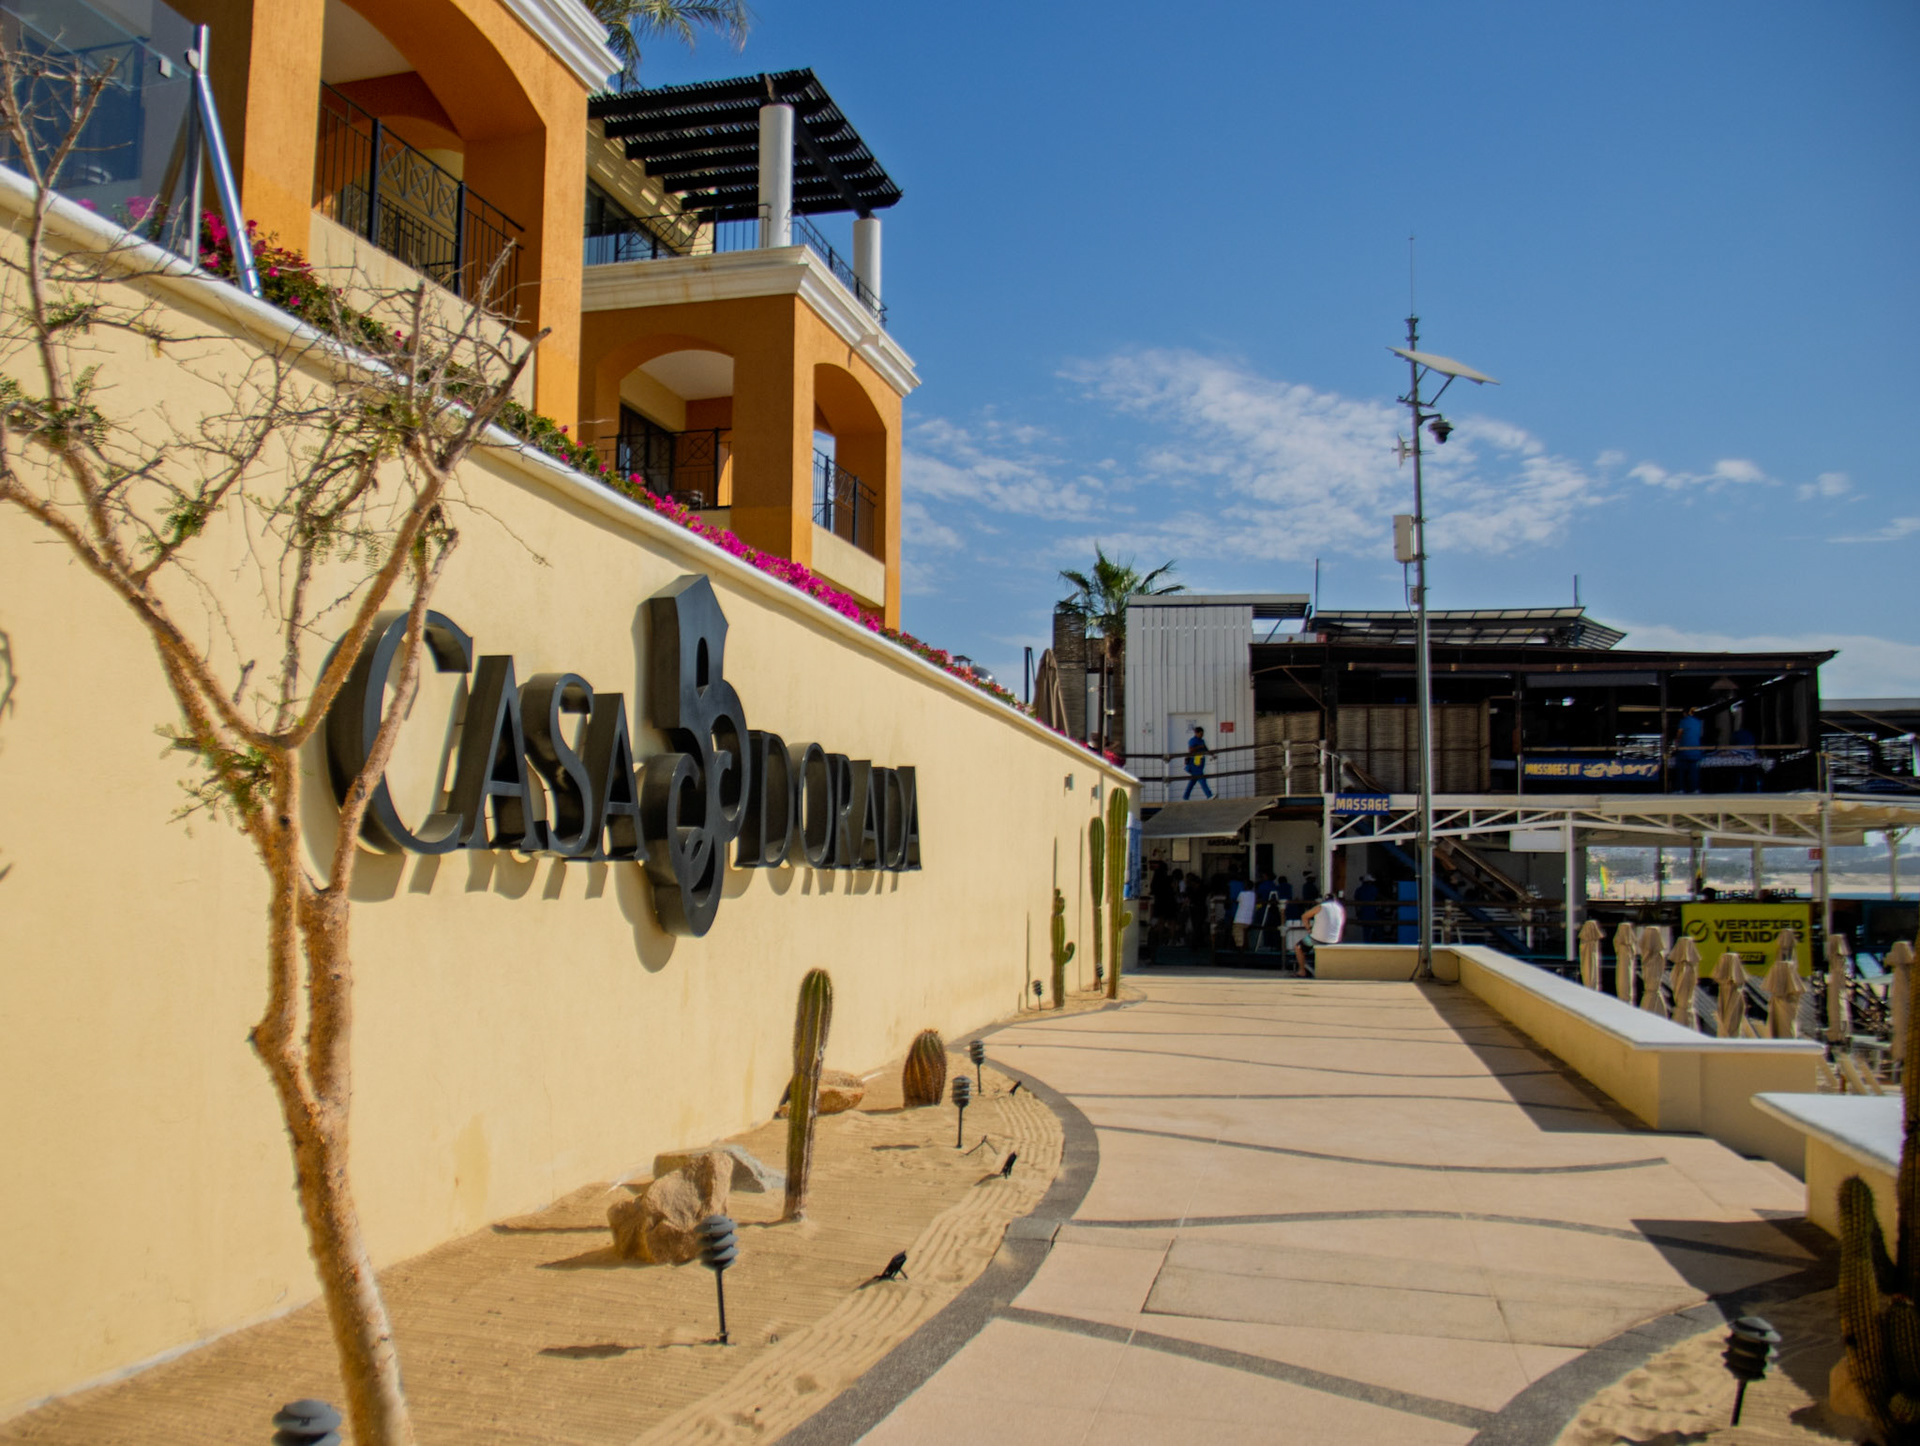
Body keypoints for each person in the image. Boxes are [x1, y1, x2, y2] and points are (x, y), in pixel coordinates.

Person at [1295, 892, 1347, 977]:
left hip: (1317, 939)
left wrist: (1308, 929)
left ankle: (1302, 971)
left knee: (1298, 947)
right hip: (1335, 940)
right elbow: (1342, 924)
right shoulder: (1340, 908)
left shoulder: (1320, 907)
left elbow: (1304, 916)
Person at [1673, 707, 1705, 794]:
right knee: (1694, 771)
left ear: (1685, 713)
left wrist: (1676, 742)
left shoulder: (1683, 721)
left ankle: (1680, 788)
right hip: (1695, 749)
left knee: (1680, 771)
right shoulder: (1698, 722)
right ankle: (1695, 789)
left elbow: (1679, 734)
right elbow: (1700, 735)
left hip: (1684, 749)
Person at [1183, 725, 1214, 799]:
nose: (1202, 735)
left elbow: (1206, 749)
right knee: (1202, 778)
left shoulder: (1202, 741)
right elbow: (1190, 750)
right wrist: (1199, 747)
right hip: (1195, 762)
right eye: (1200, 734)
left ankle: (1185, 796)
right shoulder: (1193, 740)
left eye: (1202, 733)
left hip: (1200, 762)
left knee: (1193, 780)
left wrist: (1212, 755)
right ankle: (1209, 795)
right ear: (1196, 733)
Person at [1232, 883, 1257, 950]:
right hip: (1249, 919)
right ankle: (1245, 948)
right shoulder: (1254, 895)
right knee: (1244, 934)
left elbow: (1237, 901)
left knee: (1237, 933)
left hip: (1240, 918)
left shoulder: (1242, 894)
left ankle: (1240, 948)